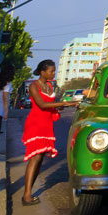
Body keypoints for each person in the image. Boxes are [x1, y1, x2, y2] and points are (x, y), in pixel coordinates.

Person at [22, 60, 71, 205]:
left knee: (40, 158)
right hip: (36, 124)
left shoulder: (49, 86)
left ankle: (28, 192)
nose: (53, 73)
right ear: (42, 72)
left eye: (54, 71)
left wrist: (59, 107)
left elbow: (50, 105)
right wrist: (63, 103)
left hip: (46, 125)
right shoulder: (33, 86)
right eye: (51, 71)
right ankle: (26, 195)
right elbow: (42, 105)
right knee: (36, 157)